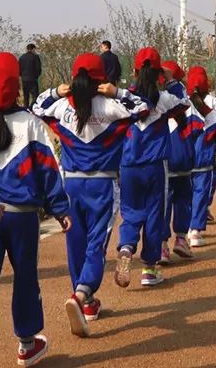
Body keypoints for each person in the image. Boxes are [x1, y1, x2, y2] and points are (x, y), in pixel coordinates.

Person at [34, 53, 148, 337]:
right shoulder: (111, 107)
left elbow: (36, 107)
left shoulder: (62, 107)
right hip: (103, 186)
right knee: (95, 246)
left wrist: (55, 91)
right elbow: (143, 108)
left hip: (70, 185)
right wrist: (118, 91)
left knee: (75, 244)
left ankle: (85, 300)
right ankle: (82, 294)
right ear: (102, 80)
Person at [0, 53, 71, 367]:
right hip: (22, 216)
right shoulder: (31, 124)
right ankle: (27, 345)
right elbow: (48, 171)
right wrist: (60, 208)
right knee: (26, 277)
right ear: (16, 87)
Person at [114, 46, 189, 289]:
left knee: (131, 211)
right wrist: (170, 79)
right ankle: (149, 268)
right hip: (155, 166)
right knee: (155, 214)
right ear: (158, 72)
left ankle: (126, 246)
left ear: (135, 70)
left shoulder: (124, 98)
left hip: (128, 164)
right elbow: (184, 102)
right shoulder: (164, 98)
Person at [187, 65, 216, 247]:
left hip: (184, 158)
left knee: (187, 193)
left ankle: (187, 226)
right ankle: (195, 229)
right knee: (202, 191)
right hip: (204, 157)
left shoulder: (181, 102)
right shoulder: (212, 101)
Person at [160, 59, 197, 264]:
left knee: (162, 203)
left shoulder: (152, 97)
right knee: (183, 199)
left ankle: (162, 246)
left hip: (162, 159)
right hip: (182, 156)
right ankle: (181, 239)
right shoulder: (185, 98)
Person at [19, 43, 42, 108]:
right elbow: (38, 69)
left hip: (24, 79)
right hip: (33, 79)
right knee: (35, 96)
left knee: (26, 96)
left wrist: (22, 76)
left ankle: (26, 108)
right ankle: (31, 107)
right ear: (33, 49)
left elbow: (19, 69)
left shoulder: (22, 57)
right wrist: (36, 76)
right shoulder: (35, 57)